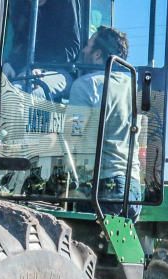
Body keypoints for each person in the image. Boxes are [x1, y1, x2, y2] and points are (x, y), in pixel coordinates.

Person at [69, 27, 142, 220]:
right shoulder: (133, 88)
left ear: (98, 54)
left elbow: (71, 138)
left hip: (102, 188)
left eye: (87, 46)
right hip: (132, 190)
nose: (83, 50)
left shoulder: (87, 85)